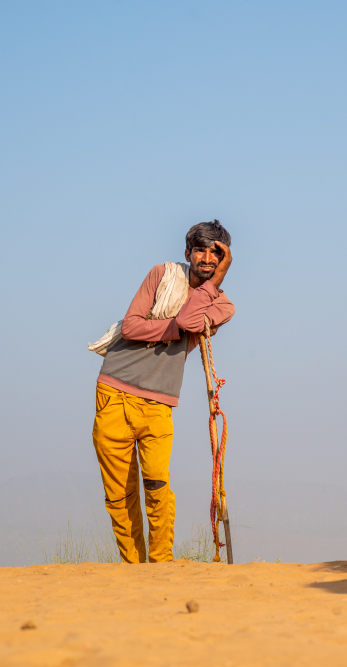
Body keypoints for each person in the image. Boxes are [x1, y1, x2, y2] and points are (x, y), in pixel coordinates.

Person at [92, 220, 235, 563]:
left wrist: (214, 283)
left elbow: (188, 321)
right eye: (200, 249)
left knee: (156, 482)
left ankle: (161, 564)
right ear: (187, 253)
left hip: (158, 402)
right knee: (119, 492)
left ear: (225, 260)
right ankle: (133, 566)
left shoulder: (223, 306)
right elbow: (130, 325)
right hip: (114, 389)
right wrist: (173, 328)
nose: (207, 258)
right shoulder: (162, 275)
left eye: (217, 253)